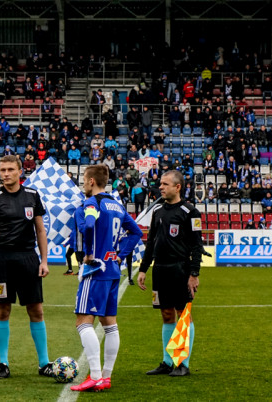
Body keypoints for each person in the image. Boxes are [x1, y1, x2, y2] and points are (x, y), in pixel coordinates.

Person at [0, 155, 54, 379]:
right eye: (2, 170)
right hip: (1, 259)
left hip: (28, 259)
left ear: (20, 171)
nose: (6, 173)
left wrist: (44, 261)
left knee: (36, 310)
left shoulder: (32, 196)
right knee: (2, 310)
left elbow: (40, 230)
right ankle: (3, 363)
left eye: (11, 169)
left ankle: (44, 363)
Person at [70, 165, 143, 392]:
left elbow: (89, 224)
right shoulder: (117, 205)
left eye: (84, 179)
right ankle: (106, 376)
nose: (83, 183)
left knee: (83, 321)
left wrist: (90, 252)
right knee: (109, 324)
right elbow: (137, 233)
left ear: (92, 181)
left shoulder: (93, 203)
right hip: (112, 269)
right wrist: (120, 256)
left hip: (96, 269)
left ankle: (94, 375)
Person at [137, 170, 205, 377]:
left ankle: (183, 363)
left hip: (180, 269)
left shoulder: (190, 212)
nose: (161, 187)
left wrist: (194, 273)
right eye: (160, 184)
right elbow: (151, 243)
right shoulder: (157, 211)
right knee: (166, 315)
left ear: (178, 187)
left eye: (165, 184)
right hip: (160, 270)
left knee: (183, 315)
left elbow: (196, 245)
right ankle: (167, 362)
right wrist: (143, 268)